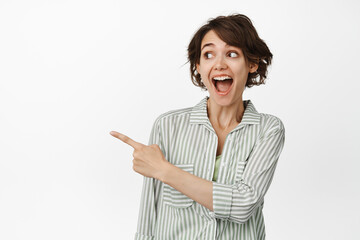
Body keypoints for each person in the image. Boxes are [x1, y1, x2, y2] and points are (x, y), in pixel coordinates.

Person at [110, 13, 285, 240]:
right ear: (199, 66)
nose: (219, 64)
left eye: (232, 54)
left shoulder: (268, 129)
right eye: (208, 54)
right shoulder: (167, 126)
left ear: (251, 64)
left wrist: (165, 171)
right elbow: (148, 217)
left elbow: (244, 205)